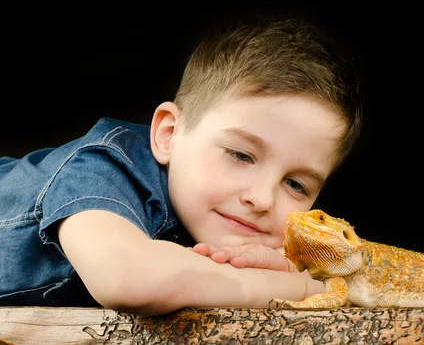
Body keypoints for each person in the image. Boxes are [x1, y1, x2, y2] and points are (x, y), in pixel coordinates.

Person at [0, 18, 362, 316]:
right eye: (240, 155)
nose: (262, 199)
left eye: (296, 185)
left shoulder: (238, 228)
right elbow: (129, 280)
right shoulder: (102, 169)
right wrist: (302, 287)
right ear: (169, 135)